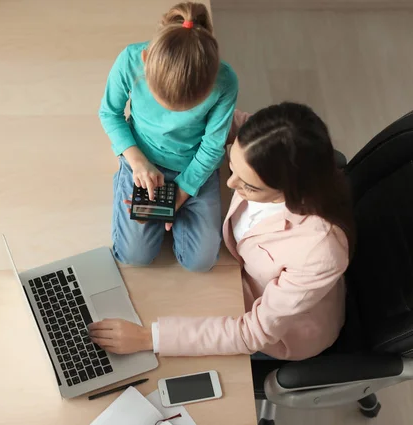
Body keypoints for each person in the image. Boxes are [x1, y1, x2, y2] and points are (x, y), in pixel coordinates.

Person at [89, 102, 355, 360]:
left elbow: (252, 333)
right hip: (234, 271)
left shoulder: (320, 251)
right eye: (230, 165)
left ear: (290, 189)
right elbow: (212, 122)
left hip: (275, 330)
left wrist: (149, 339)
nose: (229, 182)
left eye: (249, 186)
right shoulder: (266, 138)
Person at [98, 2, 238, 272]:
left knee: (201, 263)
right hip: (143, 159)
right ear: (146, 59)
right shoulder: (130, 59)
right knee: (133, 256)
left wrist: (182, 193)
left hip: (196, 165)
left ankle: (172, 214)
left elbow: (212, 146)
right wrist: (137, 161)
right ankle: (129, 180)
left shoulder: (225, 81)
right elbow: (109, 113)